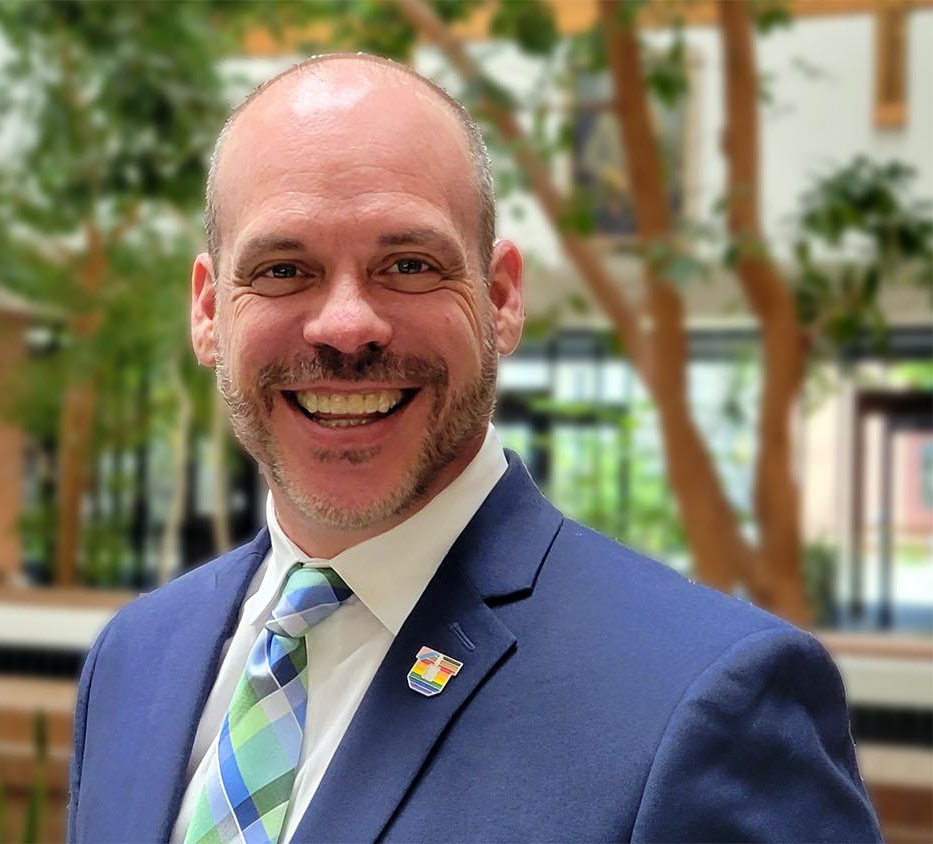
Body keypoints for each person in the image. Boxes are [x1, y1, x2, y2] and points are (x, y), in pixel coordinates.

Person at [67, 53, 879, 843]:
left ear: (500, 299)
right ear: (210, 312)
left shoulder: (708, 701)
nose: (346, 327)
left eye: (409, 265)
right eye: (284, 270)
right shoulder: (135, 659)